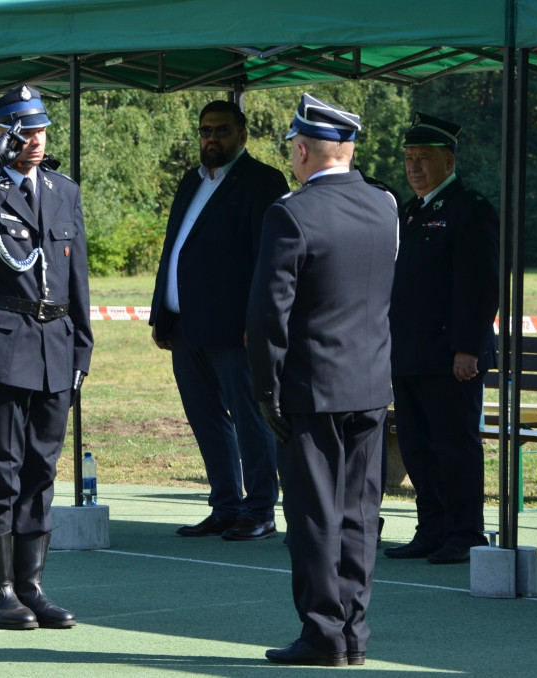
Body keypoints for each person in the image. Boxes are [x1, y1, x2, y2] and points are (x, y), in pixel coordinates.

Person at [246, 93, 398, 667]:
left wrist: (265, 388)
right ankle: (353, 632)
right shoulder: (385, 205)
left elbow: (268, 314)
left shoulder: (291, 213)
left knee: (314, 516)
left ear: (303, 149)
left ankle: (322, 633)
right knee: (361, 515)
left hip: (310, 388)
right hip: (369, 384)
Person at [0, 85, 94, 630]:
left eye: (40, 130)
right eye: (22, 131)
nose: (35, 140)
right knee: (1, 471)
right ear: (0, 134)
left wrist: (83, 345)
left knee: (40, 471)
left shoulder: (61, 189)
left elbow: (78, 277)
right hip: (1, 343)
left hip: (55, 346)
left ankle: (31, 588)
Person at [149, 100, 289, 541]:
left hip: (236, 330)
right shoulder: (191, 181)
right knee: (205, 418)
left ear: (243, 134)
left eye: (222, 131)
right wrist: (160, 312)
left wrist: (259, 319)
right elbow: (175, 247)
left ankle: (261, 509)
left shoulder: (262, 182)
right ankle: (226, 505)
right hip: (185, 325)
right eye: (206, 131)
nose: (212, 139)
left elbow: (269, 261)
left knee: (250, 418)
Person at [383, 112, 500, 565]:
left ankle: (465, 532)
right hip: (409, 352)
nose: (414, 167)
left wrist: (467, 348)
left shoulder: (470, 209)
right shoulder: (409, 211)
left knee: (454, 445)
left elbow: (479, 285)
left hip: (452, 355)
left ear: (448, 160)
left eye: (423, 158)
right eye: (409, 158)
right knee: (416, 446)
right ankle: (431, 529)